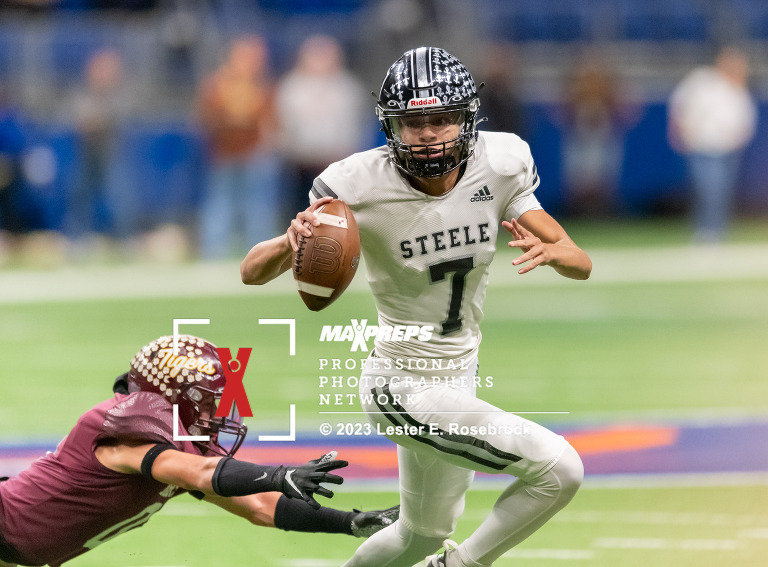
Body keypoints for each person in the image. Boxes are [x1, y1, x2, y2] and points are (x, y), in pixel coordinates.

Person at [241, 47, 591, 567]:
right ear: (391, 128)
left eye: (442, 119)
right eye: (414, 122)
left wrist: (559, 253)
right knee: (560, 469)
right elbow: (251, 271)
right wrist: (287, 242)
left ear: (467, 119)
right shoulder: (356, 182)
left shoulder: (500, 162)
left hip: (458, 377)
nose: (429, 133)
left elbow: (577, 260)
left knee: (421, 534)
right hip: (399, 384)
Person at [0, 335, 398, 567]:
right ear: (171, 397)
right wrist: (280, 473)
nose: (215, 412)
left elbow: (259, 506)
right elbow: (200, 473)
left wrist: (350, 521)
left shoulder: (177, 444)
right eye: (205, 402)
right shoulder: (127, 433)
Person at [196, 35, 282, 259]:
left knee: (258, 206)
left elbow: (271, 122)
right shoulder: (218, 85)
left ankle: (262, 255)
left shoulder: (263, 86)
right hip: (225, 154)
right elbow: (207, 119)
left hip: (255, 155)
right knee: (221, 204)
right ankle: (214, 254)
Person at [668, 46, 758, 243]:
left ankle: (717, 230)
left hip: (727, 150)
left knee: (720, 190)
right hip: (702, 146)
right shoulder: (702, 80)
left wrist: (738, 138)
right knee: (706, 188)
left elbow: (746, 121)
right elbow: (680, 103)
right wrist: (679, 130)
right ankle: (704, 229)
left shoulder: (738, 90)